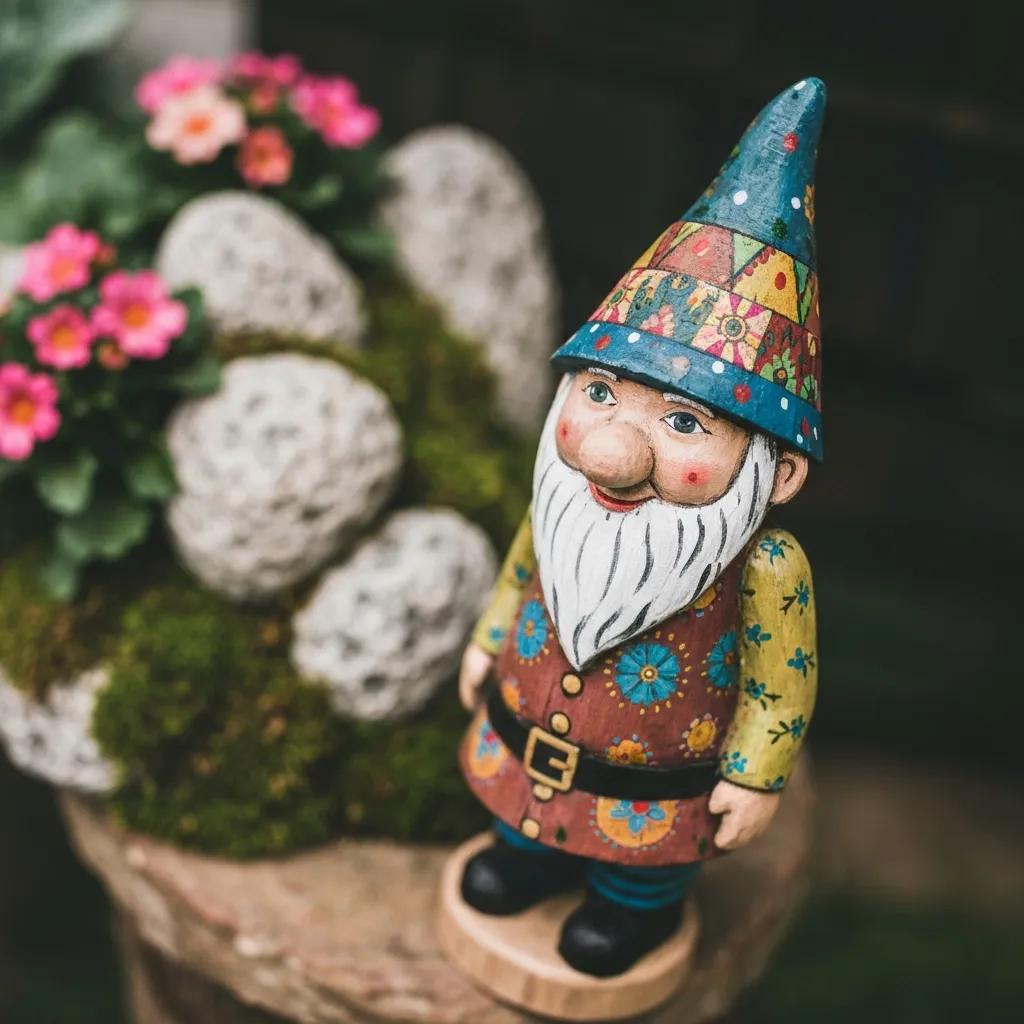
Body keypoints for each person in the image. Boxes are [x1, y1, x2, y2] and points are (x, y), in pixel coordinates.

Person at [456, 78, 825, 978]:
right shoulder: (561, 502)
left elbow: (781, 685)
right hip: (525, 743)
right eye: (599, 393)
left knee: (638, 869)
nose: (613, 452)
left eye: (686, 422)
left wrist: (756, 772)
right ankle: (527, 856)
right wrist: (488, 639)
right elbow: (520, 573)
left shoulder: (765, 567)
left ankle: (631, 910)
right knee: (520, 827)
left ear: (778, 472)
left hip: (655, 792)